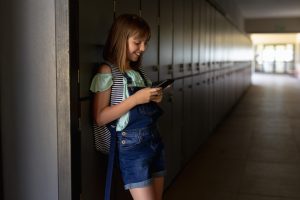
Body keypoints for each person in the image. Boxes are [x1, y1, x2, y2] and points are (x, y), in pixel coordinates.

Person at [90, 14, 165, 200]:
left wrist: (155, 97)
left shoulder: (139, 72)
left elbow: (144, 106)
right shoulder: (107, 71)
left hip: (154, 142)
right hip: (132, 148)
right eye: (138, 42)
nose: (143, 48)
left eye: (145, 42)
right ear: (120, 40)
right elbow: (100, 117)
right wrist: (136, 99)